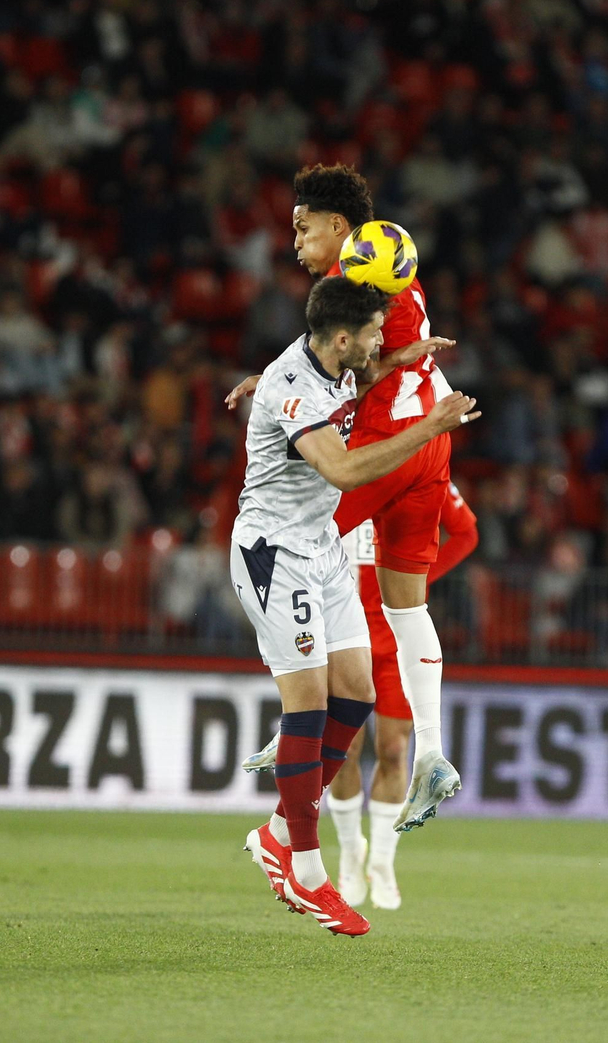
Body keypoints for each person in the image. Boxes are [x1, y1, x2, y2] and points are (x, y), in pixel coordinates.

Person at [232, 275, 478, 936]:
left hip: (321, 550)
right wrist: (428, 426)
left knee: (356, 695)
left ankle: (279, 832)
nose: (380, 340)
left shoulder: (335, 357)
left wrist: (398, 360)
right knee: (307, 704)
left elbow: (356, 370)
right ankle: (306, 873)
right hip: (275, 552)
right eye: (374, 332)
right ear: (344, 338)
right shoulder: (297, 389)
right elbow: (343, 472)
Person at [229, 164, 465, 834]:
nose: (297, 245)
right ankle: (434, 751)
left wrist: (276, 381)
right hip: (432, 452)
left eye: (303, 230)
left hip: (388, 445)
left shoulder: (354, 279)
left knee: (285, 541)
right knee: (406, 605)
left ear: (339, 228)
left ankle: (299, 712)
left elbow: (354, 362)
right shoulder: (395, 266)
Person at [328, 485, 479, 910]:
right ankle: (348, 853)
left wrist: (415, 578)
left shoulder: (415, 462)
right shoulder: (338, 460)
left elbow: (466, 532)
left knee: (394, 751)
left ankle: (381, 860)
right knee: (344, 749)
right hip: (343, 635)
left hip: (397, 640)